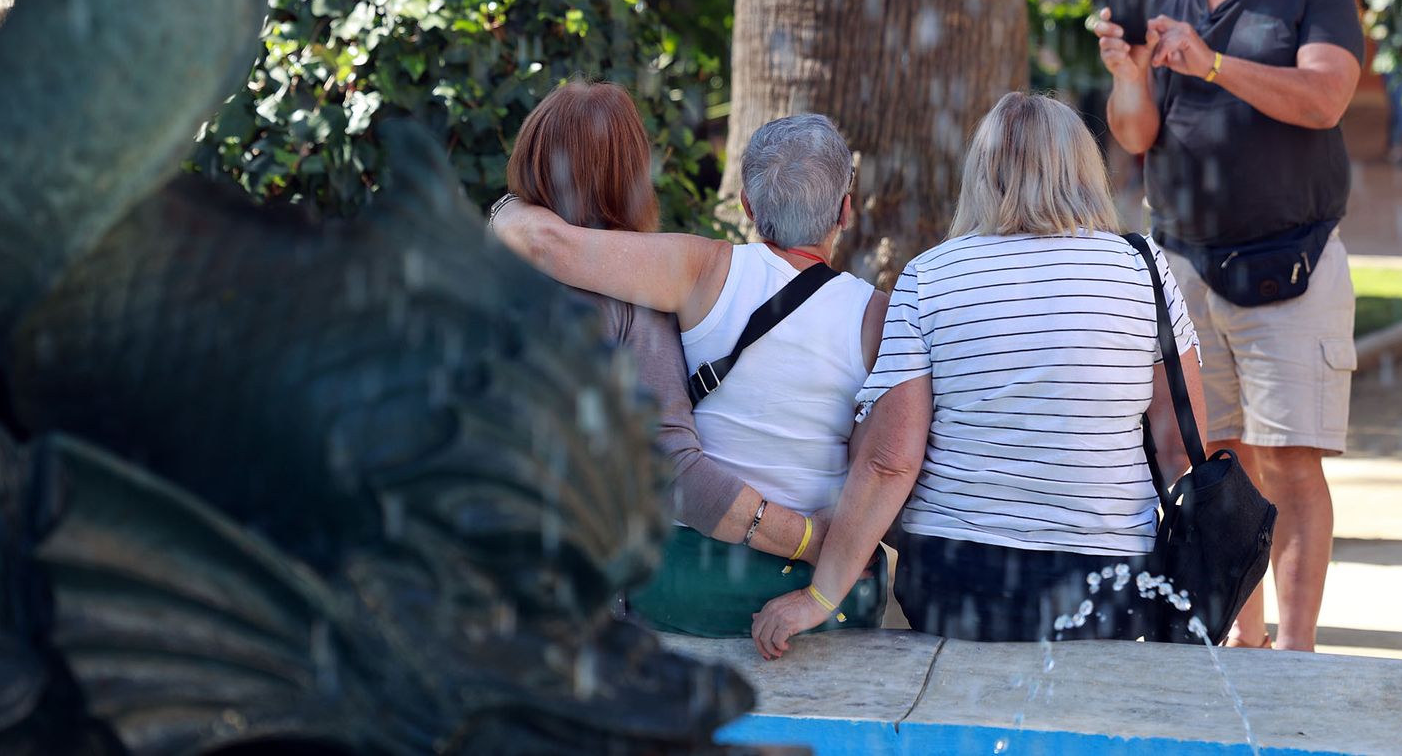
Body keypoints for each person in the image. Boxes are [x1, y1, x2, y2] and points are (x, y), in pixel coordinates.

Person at [749, 92, 1206, 657]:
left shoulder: (929, 276)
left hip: (957, 584)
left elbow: (890, 462)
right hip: (1106, 585)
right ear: (1086, 171)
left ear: (982, 175)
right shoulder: (1143, 269)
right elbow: (1181, 451)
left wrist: (821, 596)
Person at [1091, 0, 1364, 651]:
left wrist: (1211, 64)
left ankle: (1296, 648)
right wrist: (1133, 76)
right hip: (1183, 273)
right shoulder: (1166, 3)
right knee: (1219, 460)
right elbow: (1134, 138)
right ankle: (1242, 640)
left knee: (1290, 461)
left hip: (1292, 263)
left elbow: (1324, 100)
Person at [492, 106, 890, 636]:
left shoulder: (698, 271)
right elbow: (886, 464)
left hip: (661, 582)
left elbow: (546, 245)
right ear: (846, 211)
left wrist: (503, 209)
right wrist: (827, 546)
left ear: (747, 204)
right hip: (817, 588)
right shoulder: (882, 315)